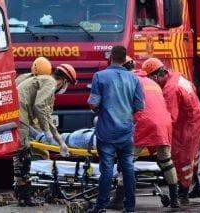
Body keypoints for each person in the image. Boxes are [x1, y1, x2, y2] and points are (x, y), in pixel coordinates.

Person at [142, 58, 200, 204]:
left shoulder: (170, 90)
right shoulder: (178, 76)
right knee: (194, 157)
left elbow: (170, 118)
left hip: (190, 124)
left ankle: (183, 194)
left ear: (156, 75)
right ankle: (197, 187)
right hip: (197, 119)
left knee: (183, 158)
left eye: (152, 79)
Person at [87, 46, 144, 213]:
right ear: (125, 59)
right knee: (128, 169)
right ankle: (130, 207)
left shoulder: (100, 76)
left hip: (106, 132)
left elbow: (93, 103)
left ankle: (100, 207)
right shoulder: (134, 79)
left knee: (106, 169)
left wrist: (101, 110)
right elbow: (139, 105)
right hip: (126, 132)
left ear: (111, 57)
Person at [14, 58, 77, 206]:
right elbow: (39, 106)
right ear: (63, 80)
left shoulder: (44, 83)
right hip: (20, 114)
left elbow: (46, 116)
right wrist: (47, 133)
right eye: (67, 84)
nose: (64, 88)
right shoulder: (50, 83)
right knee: (23, 154)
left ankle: (25, 191)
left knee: (26, 153)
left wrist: (60, 142)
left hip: (21, 114)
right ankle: (23, 195)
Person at [123, 56, 179, 208]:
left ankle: (119, 196)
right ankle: (175, 199)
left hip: (145, 122)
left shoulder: (130, 82)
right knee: (166, 160)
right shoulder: (153, 84)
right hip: (165, 123)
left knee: (127, 159)